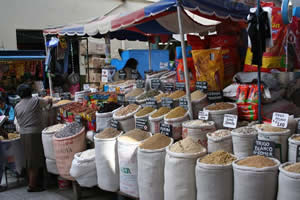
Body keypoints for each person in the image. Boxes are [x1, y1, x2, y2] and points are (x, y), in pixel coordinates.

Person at [14, 84, 52, 192]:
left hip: (23, 134)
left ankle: (35, 182)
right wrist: (49, 99)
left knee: (30, 159)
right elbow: (48, 101)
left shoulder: (17, 106)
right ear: (30, 92)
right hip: (34, 133)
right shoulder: (35, 101)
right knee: (34, 160)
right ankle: (32, 185)